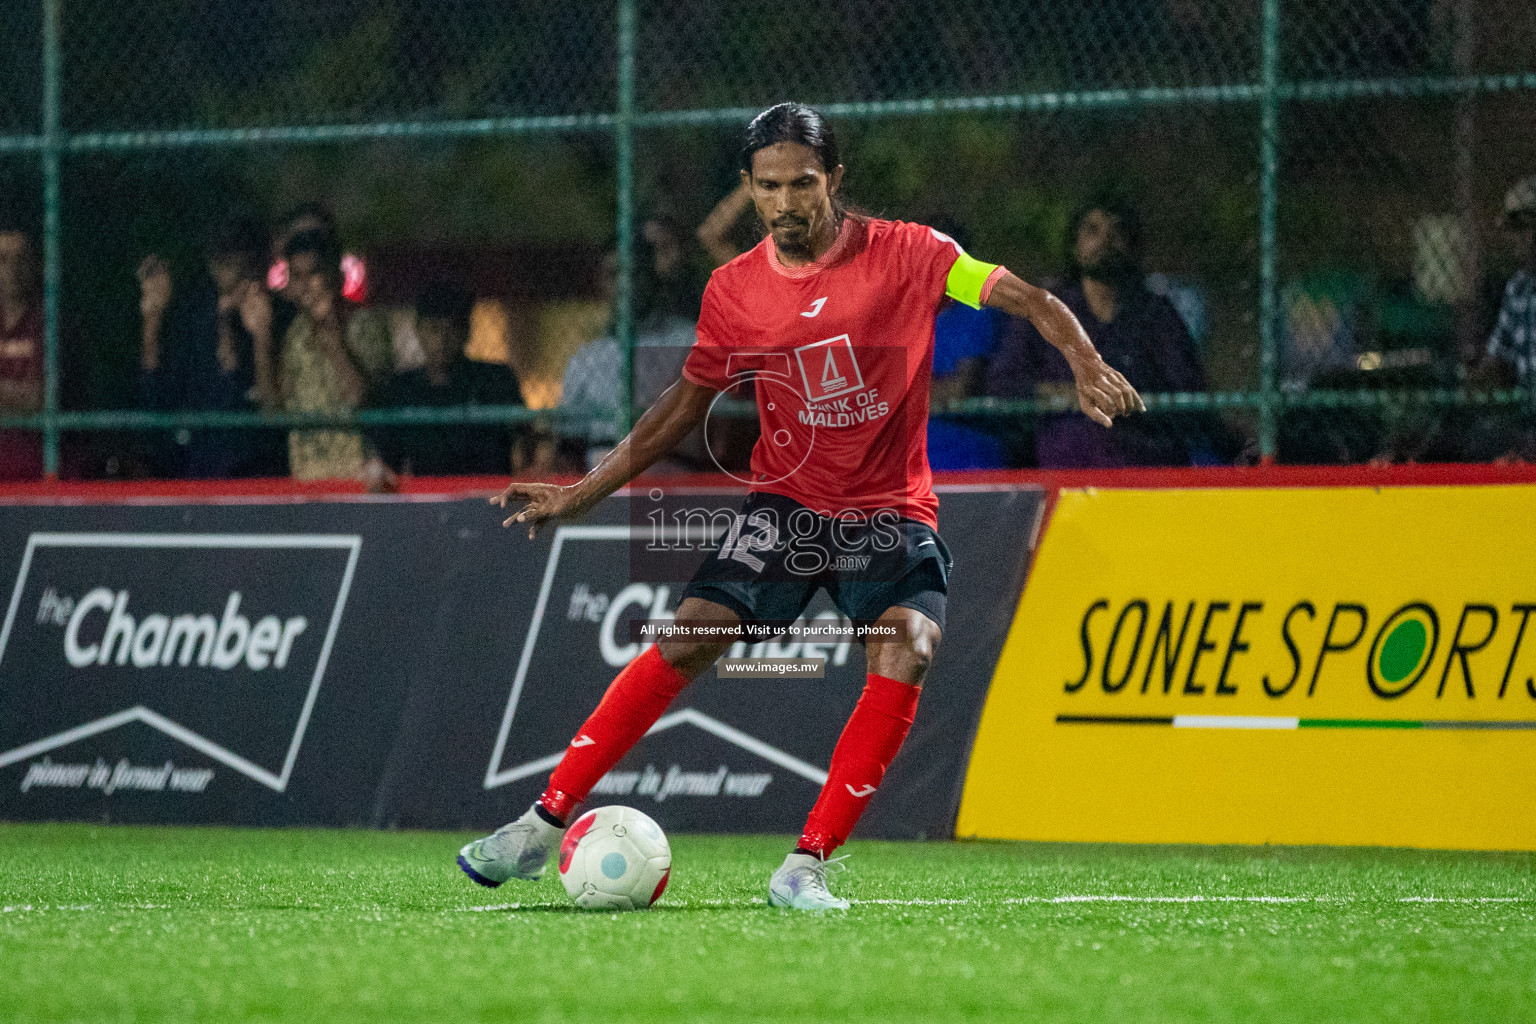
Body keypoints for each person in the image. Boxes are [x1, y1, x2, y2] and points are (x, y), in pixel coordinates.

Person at [456, 103, 1140, 910]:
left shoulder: (913, 254)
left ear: (835, 180)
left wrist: (1085, 360)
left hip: (889, 511)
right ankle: (541, 826)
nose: (788, 202)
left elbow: (1025, 297)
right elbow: (683, 406)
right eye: (770, 186)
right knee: (687, 638)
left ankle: (804, 865)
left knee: (909, 645)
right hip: (786, 507)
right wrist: (578, 494)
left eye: (804, 183)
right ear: (749, 189)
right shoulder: (735, 291)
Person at [987, 197, 1218, 467]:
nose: (1105, 242)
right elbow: (1002, 386)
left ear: (1134, 246)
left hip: (1147, 473)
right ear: (1074, 244)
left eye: (1118, 232)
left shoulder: (1156, 314)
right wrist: (1063, 394)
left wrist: (1125, 399)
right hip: (1065, 478)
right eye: (1092, 231)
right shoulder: (1043, 310)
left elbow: (1189, 397)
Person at [137, 216, 284, 478]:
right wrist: (152, 321)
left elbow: (273, 419)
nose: (221, 263)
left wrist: (261, 337)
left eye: (233, 252)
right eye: (216, 254)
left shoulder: (280, 316)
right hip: (199, 474)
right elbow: (156, 406)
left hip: (258, 478)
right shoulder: (195, 317)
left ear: (256, 258)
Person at [373, 283, 525, 476]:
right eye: (434, 329)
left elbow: (525, 442)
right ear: (419, 332)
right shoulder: (402, 388)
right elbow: (387, 459)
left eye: (452, 328)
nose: (442, 340)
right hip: (427, 499)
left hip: (490, 493)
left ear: (466, 332)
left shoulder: (495, 380)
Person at [279, 228, 393, 482]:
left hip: (358, 476)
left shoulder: (366, 324)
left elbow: (363, 398)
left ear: (334, 275)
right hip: (306, 477)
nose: (305, 285)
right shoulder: (295, 333)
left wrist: (332, 339)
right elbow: (279, 406)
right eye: (296, 276)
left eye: (313, 274)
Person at [1484, 176, 1536, 460]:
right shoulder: (1519, 287)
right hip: (1527, 417)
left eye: (1521, 228)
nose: (1513, 239)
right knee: (1484, 435)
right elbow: (1497, 362)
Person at [0, 221, 43, 480]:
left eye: (20, 259)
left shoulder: (46, 322)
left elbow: (40, 400)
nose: (12, 269)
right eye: (3, 260)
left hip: (34, 472)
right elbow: (26, 397)